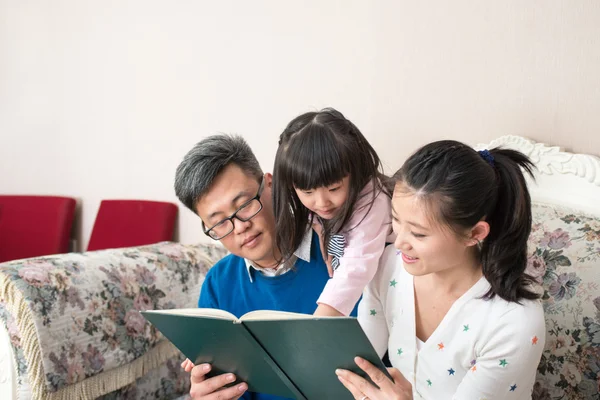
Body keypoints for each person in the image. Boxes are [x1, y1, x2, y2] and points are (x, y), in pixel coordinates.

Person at [335, 141, 546, 399]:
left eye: (419, 233)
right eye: (396, 220)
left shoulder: (512, 323)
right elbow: (359, 363)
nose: (399, 242)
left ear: (475, 233)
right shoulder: (389, 266)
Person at [174, 134, 356, 400]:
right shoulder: (218, 284)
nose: (239, 227)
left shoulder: (347, 256)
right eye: (219, 222)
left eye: (244, 205)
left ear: (270, 185)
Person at [273, 107, 395, 317]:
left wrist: (319, 323)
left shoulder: (374, 202)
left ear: (355, 170)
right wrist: (323, 231)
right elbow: (315, 216)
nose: (322, 202)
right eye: (307, 191)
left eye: (334, 189)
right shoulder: (316, 209)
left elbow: (355, 267)